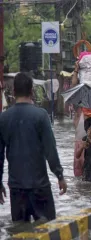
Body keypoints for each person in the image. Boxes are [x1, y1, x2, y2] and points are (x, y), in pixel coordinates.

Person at [0, 73, 67, 222]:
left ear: (13, 92)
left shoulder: (3, 119)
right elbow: (50, 150)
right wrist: (60, 176)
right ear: (31, 91)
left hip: (16, 190)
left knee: (18, 233)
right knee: (48, 230)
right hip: (40, 187)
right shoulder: (41, 116)